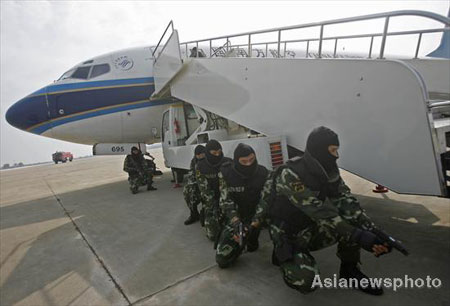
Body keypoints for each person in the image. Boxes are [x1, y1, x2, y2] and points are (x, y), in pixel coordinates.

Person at [252, 126, 391, 295]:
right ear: (320, 150)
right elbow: (318, 211)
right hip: (288, 231)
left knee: (353, 221)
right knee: (306, 281)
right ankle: (283, 254)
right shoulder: (290, 173)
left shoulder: (328, 170)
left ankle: (349, 271)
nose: (337, 155)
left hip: (310, 225)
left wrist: (373, 230)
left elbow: (345, 200)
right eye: (333, 150)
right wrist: (361, 236)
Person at [215, 143, 270, 268]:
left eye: (252, 160)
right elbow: (225, 201)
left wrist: (254, 224)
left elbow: (266, 201)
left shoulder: (264, 173)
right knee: (222, 260)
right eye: (244, 162)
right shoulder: (225, 173)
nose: (249, 164)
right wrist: (236, 223)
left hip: (259, 215)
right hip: (237, 217)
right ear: (236, 161)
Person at [196, 140, 232, 241]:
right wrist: (215, 207)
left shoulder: (228, 162)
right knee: (213, 235)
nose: (217, 155)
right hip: (212, 200)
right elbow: (205, 190)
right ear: (208, 153)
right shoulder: (201, 166)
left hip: (228, 199)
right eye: (214, 153)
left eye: (219, 152)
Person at [183, 145, 206, 225]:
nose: (200, 156)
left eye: (202, 154)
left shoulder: (209, 160)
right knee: (187, 192)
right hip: (198, 185)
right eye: (198, 155)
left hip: (208, 186)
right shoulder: (194, 161)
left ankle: (205, 212)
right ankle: (194, 214)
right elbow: (192, 176)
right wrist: (192, 189)